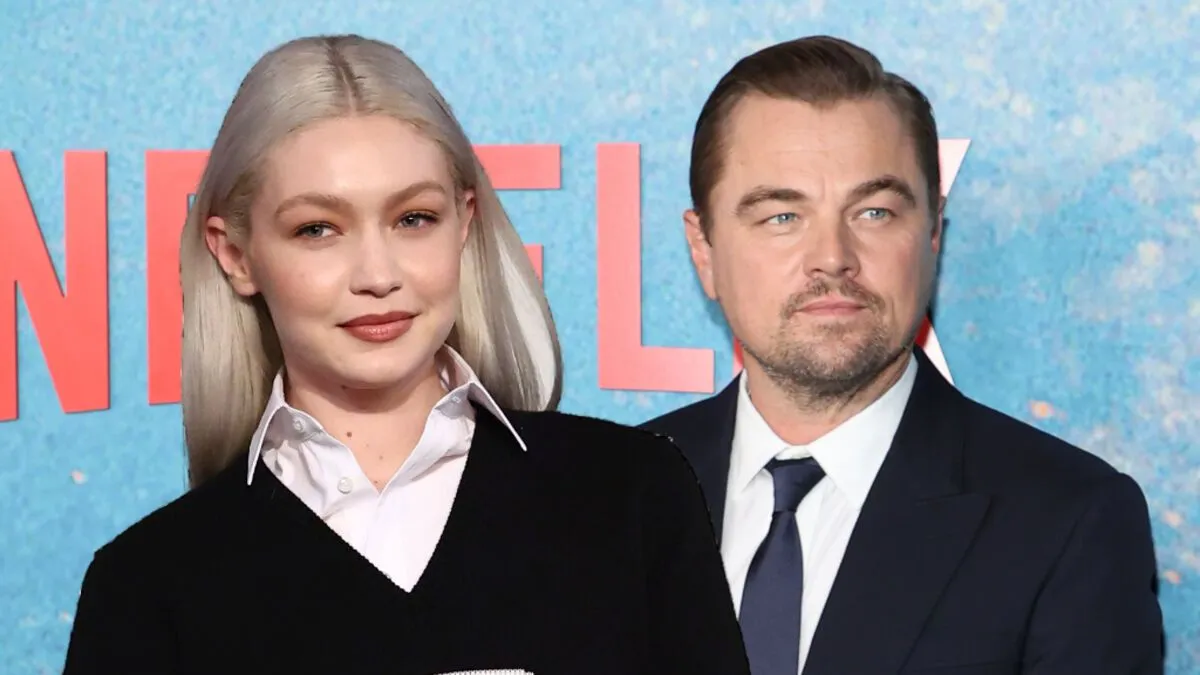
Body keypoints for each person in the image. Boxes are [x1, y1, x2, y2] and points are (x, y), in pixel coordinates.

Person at [63, 34, 749, 675]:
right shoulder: (147, 585)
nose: (377, 274)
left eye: (413, 219)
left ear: (464, 222)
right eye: (317, 229)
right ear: (236, 254)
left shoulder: (633, 497)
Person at [643, 35, 1164, 675]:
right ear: (704, 250)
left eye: (874, 212)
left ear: (933, 232)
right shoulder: (603, 498)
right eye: (782, 216)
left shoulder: (1066, 524)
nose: (832, 257)